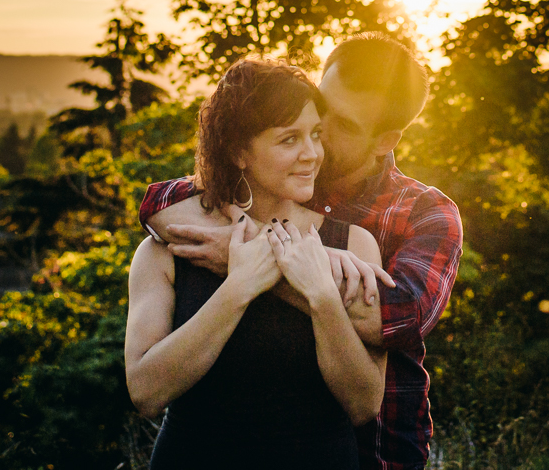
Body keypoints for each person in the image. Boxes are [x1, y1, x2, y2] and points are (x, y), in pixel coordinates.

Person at [141, 33, 463, 470]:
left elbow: (392, 316)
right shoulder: (277, 181)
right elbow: (161, 204)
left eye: (341, 126)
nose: (319, 139)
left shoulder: (425, 214)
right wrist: (294, 256)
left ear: (385, 139)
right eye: (319, 112)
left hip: (373, 452)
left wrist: (275, 263)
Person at [126, 58, 387, 469]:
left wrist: (321, 296)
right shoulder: (171, 249)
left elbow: (364, 404)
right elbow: (145, 392)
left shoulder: (355, 246)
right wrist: (238, 288)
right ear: (238, 151)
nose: (312, 154)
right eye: (289, 140)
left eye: (315, 135)